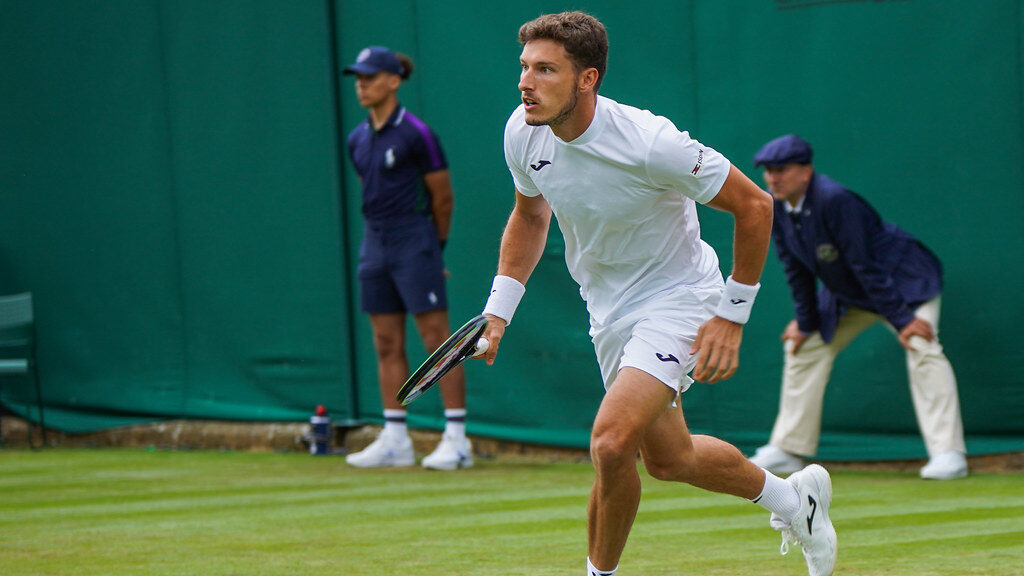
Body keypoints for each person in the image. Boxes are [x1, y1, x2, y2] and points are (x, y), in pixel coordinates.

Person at [476, 12, 836, 576]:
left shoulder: (651, 143)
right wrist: (499, 311)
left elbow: (755, 206)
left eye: (545, 69)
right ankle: (794, 501)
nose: (526, 81)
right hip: (608, 310)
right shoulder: (522, 132)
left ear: (587, 78)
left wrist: (731, 315)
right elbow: (529, 214)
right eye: (524, 67)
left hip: (680, 296)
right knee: (670, 459)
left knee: (611, 443)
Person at [748, 134, 968, 480]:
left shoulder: (834, 200)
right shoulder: (776, 206)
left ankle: (948, 454)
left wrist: (902, 320)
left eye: (782, 169)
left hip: (903, 284)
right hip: (850, 292)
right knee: (802, 347)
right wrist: (806, 322)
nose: (773, 177)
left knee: (922, 345)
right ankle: (788, 449)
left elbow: (864, 263)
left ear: (806, 171)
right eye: (768, 170)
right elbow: (796, 270)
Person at [342, 46, 472, 470]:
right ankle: (395, 438)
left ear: (393, 81)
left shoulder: (417, 133)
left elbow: (444, 198)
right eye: (358, 77)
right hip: (374, 244)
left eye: (370, 76)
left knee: (438, 341)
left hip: (415, 239)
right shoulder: (357, 139)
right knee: (385, 342)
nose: (361, 84)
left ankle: (457, 440)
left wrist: (433, 252)